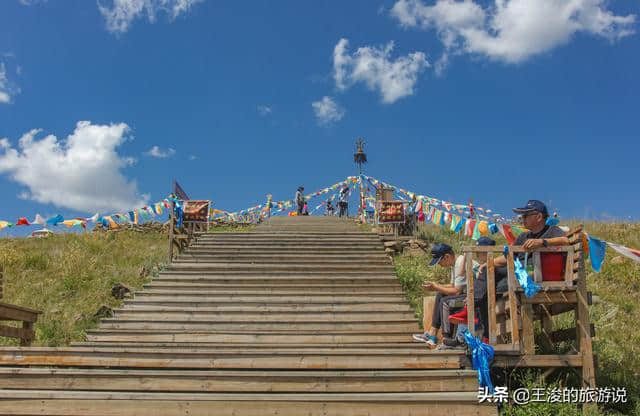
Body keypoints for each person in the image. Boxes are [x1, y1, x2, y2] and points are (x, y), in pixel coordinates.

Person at [448, 200, 569, 339]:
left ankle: (477, 324)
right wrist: (489, 263)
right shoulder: (524, 236)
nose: (521, 219)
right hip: (517, 271)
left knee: (490, 289)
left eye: (525, 216)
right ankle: (478, 323)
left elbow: (566, 241)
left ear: (539, 217)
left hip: (533, 275)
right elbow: (509, 256)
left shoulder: (552, 231)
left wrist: (542, 242)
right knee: (488, 277)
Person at [412, 243, 478, 348]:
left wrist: (436, 287)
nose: (439, 265)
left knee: (445, 302)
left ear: (447, 257)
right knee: (440, 294)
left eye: (439, 262)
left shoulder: (461, 263)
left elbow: (456, 291)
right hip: (466, 294)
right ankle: (432, 334)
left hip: (473, 298)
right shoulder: (455, 263)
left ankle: (447, 339)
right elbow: (453, 285)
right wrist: (436, 285)